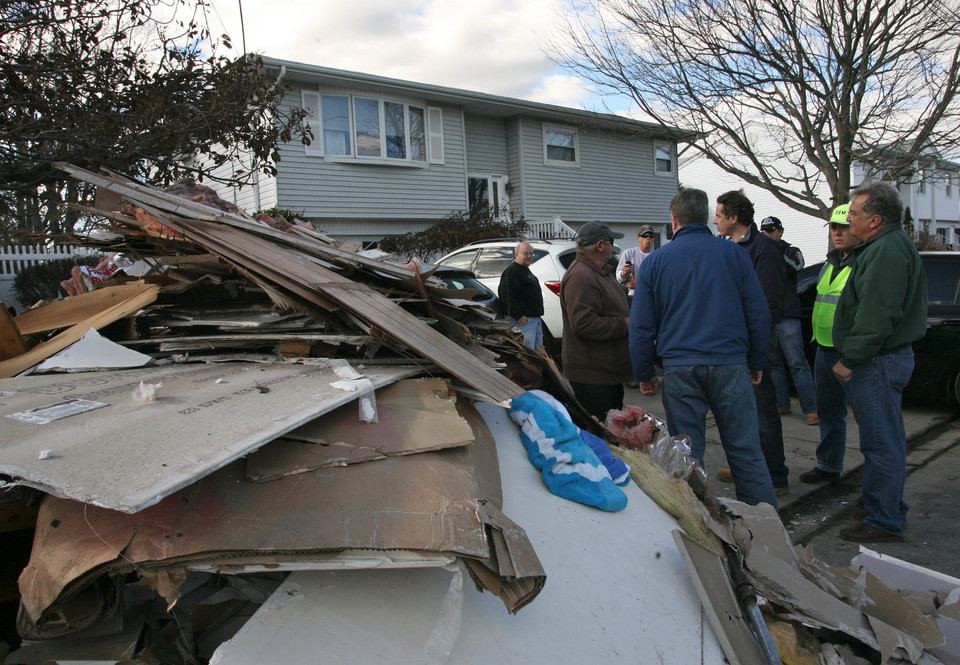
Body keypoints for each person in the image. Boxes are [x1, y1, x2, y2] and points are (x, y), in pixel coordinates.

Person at [630, 189, 777, 508]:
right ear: (705, 216)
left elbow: (641, 326)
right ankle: (767, 535)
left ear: (674, 220)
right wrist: (756, 361)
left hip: (681, 368)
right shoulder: (734, 254)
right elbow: (758, 312)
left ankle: (704, 536)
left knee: (688, 458)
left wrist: (645, 372)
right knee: (746, 453)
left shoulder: (655, 262)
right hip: (730, 365)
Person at [832, 182, 927, 543]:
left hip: (876, 361)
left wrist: (851, 358)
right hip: (880, 359)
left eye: (854, 215)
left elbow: (877, 315)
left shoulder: (886, 251)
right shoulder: (882, 246)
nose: (848, 220)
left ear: (874, 220)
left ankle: (884, 519)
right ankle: (879, 506)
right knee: (884, 441)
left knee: (881, 443)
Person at [714, 190, 789, 494]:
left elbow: (767, 302)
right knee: (743, 411)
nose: (715, 220)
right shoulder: (729, 247)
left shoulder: (763, 249)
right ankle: (748, 466)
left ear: (734, 217)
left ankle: (775, 475)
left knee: (763, 411)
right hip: (735, 343)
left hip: (754, 343)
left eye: (719, 215)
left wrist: (752, 343)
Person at [798, 204, 859, 486]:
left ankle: (874, 479)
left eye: (844, 227)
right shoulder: (829, 264)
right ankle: (829, 465)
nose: (838, 232)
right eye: (834, 227)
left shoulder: (862, 265)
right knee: (830, 413)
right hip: (824, 348)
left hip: (850, 354)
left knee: (868, 420)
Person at [560, 220, 633, 422]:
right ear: (600, 245)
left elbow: (613, 302)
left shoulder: (599, 271)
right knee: (599, 435)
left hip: (606, 373)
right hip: (592, 377)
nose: (613, 246)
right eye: (610, 241)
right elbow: (583, 323)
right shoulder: (581, 276)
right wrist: (625, 324)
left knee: (612, 431)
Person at [761, 216, 819, 425]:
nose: (767, 234)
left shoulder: (789, 251)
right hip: (768, 317)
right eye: (764, 231)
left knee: (797, 363)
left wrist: (773, 250)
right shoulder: (761, 252)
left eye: (771, 230)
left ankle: (811, 409)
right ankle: (781, 403)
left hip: (787, 317)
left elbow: (797, 267)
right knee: (774, 363)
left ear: (780, 232)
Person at [498, 241, 545, 350]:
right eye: (526, 253)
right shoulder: (511, 272)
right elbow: (506, 296)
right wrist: (518, 316)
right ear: (517, 254)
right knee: (527, 356)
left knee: (537, 356)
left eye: (531, 253)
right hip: (523, 323)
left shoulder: (525, 270)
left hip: (533, 321)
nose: (529, 256)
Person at [616, 224, 656, 297]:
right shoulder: (629, 253)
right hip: (633, 296)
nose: (648, 238)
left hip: (651, 296)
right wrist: (625, 272)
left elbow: (659, 281)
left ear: (653, 239)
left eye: (651, 236)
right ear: (638, 238)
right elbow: (619, 278)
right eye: (644, 236)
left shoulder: (656, 256)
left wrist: (639, 285)